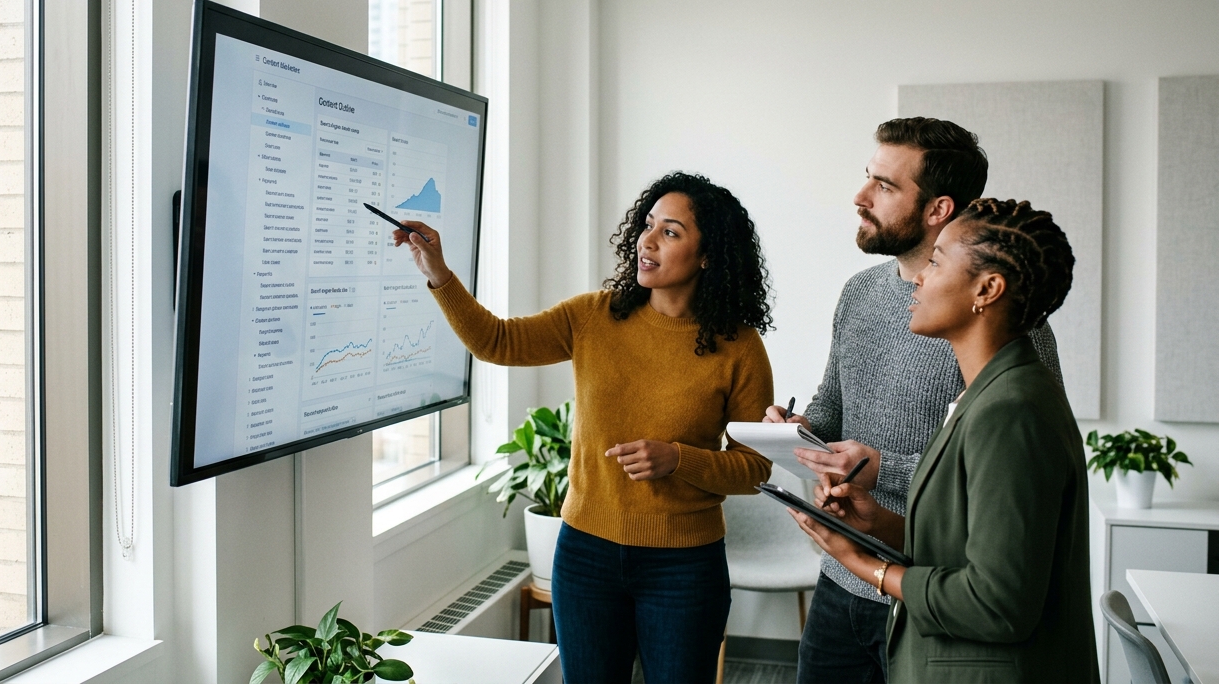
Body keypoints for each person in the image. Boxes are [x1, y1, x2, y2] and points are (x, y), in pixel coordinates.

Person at [392, 172, 775, 684]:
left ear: (708, 256)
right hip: (585, 555)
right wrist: (437, 271)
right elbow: (498, 342)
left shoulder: (739, 346)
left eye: (671, 231)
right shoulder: (595, 317)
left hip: (684, 567)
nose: (647, 239)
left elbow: (755, 468)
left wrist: (678, 459)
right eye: (648, 224)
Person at [764, 118, 1063, 683]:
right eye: (867, 178)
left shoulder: (1006, 330)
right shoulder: (860, 293)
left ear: (937, 209)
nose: (861, 197)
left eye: (885, 186)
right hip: (844, 580)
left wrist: (882, 469)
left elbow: (1010, 466)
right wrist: (798, 429)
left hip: (938, 592)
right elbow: (833, 405)